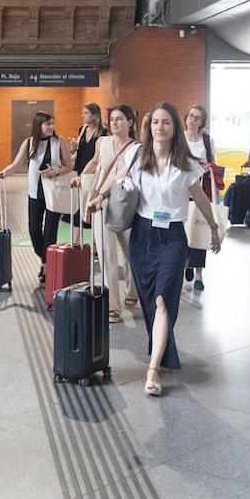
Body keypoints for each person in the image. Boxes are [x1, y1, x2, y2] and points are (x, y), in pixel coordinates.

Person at [91, 103, 222, 397]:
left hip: (173, 239)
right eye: (155, 123)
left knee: (163, 300)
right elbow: (117, 177)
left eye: (165, 123)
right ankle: (163, 355)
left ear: (174, 128)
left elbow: (200, 198)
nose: (159, 128)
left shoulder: (186, 163)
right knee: (150, 301)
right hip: (143, 235)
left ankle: (152, 369)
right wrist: (100, 196)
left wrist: (214, 228)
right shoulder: (138, 155)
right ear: (149, 128)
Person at [0, 112, 71, 283]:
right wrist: (5, 171)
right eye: (48, 124)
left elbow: (69, 166)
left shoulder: (59, 143)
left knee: (50, 231)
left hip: (53, 193)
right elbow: (17, 163)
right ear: (39, 126)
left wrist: (56, 171)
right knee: (34, 229)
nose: (51, 127)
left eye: (53, 123)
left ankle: (45, 266)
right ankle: (44, 256)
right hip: (35, 193)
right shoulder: (29, 143)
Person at [81, 105, 139, 322]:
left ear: (130, 122)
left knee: (130, 250)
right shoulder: (102, 142)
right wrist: (82, 175)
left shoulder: (137, 148)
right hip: (101, 203)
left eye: (120, 119)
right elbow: (96, 163)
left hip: (126, 204)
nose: (114, 123)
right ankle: (112, 305)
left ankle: (132, 291)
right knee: (106, 253)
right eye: (112, 119)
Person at [182, 104, 220, 292]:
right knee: (183, 232)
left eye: (197, 117)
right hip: (180, 193)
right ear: (186, 118)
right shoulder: (178, 139)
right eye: (191, 116)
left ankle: (198, 274)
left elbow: (214, 163)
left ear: (202, 121)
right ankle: (186, 263)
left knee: (199, 231)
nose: (193, 119)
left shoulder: (207, 140)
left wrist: (207, 166)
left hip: (200, 191)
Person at [70, 103, 108, 240]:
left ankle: (95, 243)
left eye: (86, 113)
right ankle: (74, 241)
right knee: (77, 207)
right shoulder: (82, 129)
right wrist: (74, 147)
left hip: (94, 174)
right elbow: (78, 152)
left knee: (91, 207)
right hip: (81, 171)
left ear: (95, 115)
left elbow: (99, 157)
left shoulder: (103, 133)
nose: (83, 116)